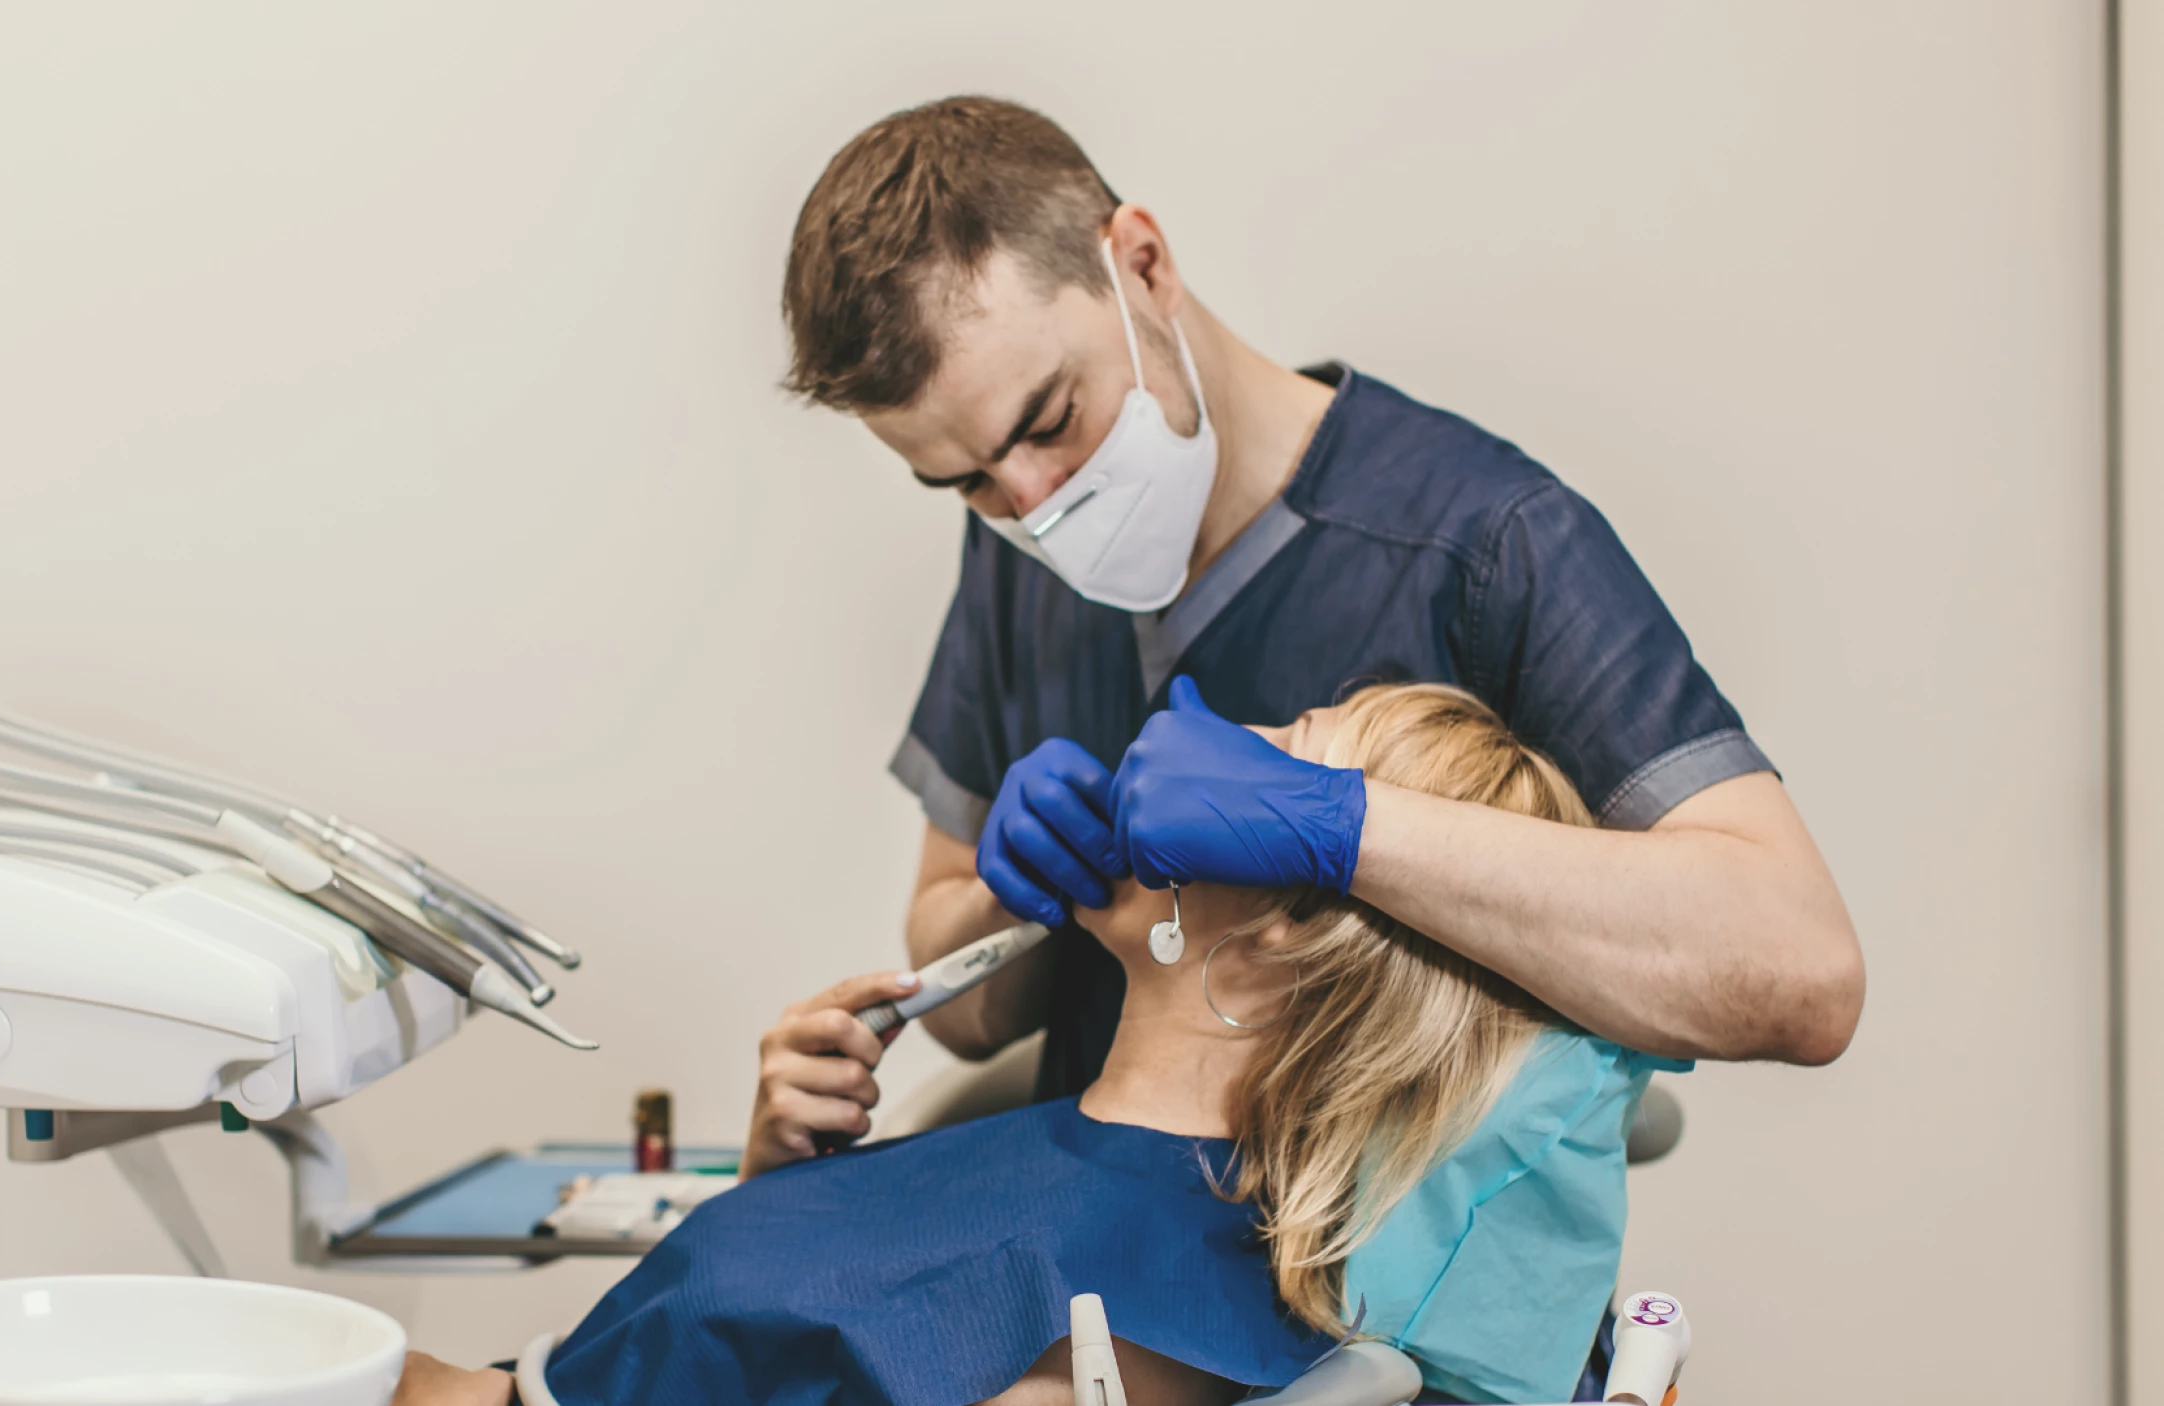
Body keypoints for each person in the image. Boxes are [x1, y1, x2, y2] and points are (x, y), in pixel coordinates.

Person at [778, 97, 1863, 1097]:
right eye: (964, 480)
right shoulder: (1017, 554)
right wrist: (1006, 898)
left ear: (1143, 266)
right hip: (1096, 1273)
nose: (1031, 504)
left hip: (1395, 1287)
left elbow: (1798, 969)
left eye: (1053, 418)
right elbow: (963, 1010)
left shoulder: (1481, 541)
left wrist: (1343, 825)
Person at [394, 686, 1679, 1406]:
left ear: (1292, 918)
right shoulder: (1169, 1226)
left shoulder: (1101, 1329)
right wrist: (777, 1189)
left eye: (1268, 757)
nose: (1193, 748)